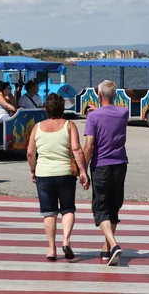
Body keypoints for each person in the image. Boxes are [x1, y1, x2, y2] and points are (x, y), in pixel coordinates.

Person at [27, 94, 89, 261]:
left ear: (45, 109)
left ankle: (52, 249)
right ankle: (66, 240)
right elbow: (76, 149)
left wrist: (33, 170)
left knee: (49, 213)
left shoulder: (37, 127)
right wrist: (83, 171)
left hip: (44, 175)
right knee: (67, 209)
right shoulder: (69, 125)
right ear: (63, 108)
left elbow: (30, 152)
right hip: (65, 174)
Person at [83, 80, 129, 266]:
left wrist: (82, 169)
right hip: (120, 164)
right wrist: (99, 109)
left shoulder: (93, 118)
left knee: (100, 208)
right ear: (115, 95)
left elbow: (89, 145)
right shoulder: (123, 113)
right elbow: (111, 112)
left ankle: (114, 245)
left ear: (99, 95)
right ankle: (106, 248)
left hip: (101, 165)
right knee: (113, 205)